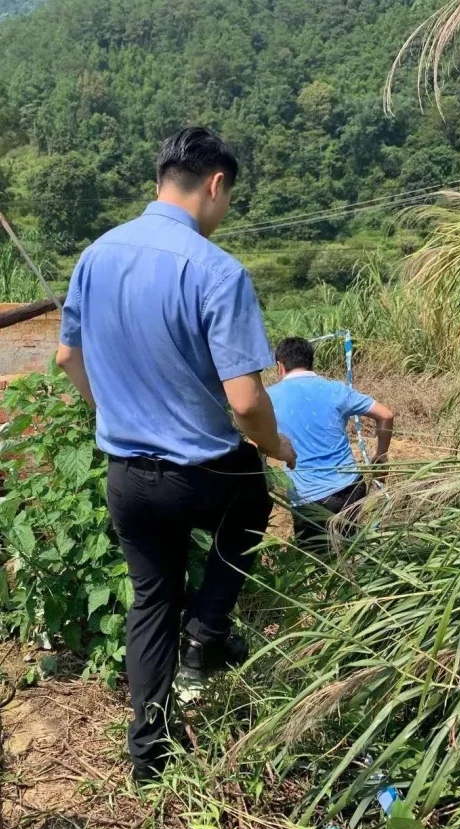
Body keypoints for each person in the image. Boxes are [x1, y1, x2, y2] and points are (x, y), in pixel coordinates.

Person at [56, 127, 296, 783]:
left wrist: (111, 411)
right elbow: (246, 404)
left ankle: (149, 761)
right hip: (206, 474)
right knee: (252, 500)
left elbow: (67, 357)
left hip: (127, 477)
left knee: (150, 603)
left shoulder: (97, 255)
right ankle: (210, 631)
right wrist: (279, 446)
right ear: (215, 185)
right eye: (228, 199)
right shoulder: (216, 270)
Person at [267, 337, 393, 549]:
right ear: (311, 361)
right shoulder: (336, 389)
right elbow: (385, 415)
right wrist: (380, 456)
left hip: (308, 497)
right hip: (350, 488)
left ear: (280, 365)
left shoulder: (268, 398)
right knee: (350, 551)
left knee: (318, 565)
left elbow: (256, 442)